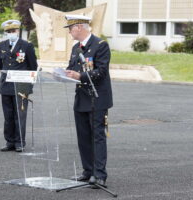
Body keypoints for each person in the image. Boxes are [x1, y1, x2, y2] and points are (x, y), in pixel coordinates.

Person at [64, 15, 113, 188]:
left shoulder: (100, 45)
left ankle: (99, 175)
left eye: (70, 28)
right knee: (83, 137)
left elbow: (101, 72)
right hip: (81, 98)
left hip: (97, 99)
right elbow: (72, 68)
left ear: (78, 27)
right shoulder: (76, 47)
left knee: (97, 137)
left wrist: (80, 76)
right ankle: (88, 171)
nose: (69, 32)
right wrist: (64, 74)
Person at [0, 20, 38, 152]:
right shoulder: (2, 45)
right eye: (8, 32)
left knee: (20, 115)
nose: (11, 34)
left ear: (18, 31)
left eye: (13, 31)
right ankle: (9, 142)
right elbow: (0, 64)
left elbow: (33, 66)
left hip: (21, 86)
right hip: (6, 85)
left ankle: (20, 142)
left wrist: (29, 84)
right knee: (8, 115)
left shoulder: (26, 46)